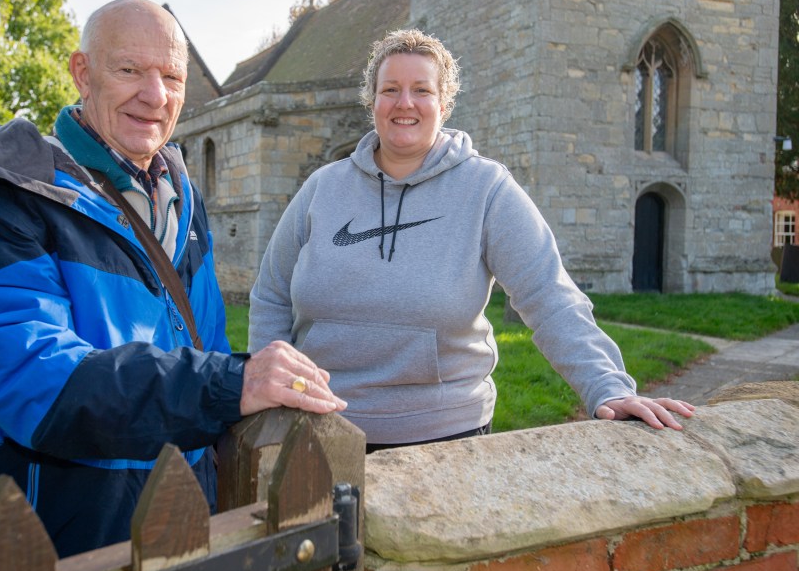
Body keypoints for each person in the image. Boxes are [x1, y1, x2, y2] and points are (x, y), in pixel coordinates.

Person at [0, 0, 346, 571]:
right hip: (55, 546)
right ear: (81, 72)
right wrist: (229, 383)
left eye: (172, 76)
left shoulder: (181, 198)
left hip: (180, 533)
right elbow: (36, 384)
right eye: (129, 70)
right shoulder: (0, 197)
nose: (156, 95)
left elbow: (204, 343)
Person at [248, 28, 694, 453]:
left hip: (443, 436)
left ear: (444, 102)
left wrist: (608, 385)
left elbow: (547, 294)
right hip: (316, 428)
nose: (405, 103)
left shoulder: (487, 189)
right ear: (372, 101)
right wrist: (271, 385)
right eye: (390, 89)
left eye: (422, 90)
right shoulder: (322, 188)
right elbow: (271, 294)